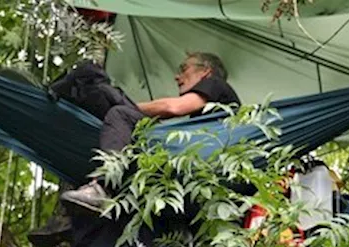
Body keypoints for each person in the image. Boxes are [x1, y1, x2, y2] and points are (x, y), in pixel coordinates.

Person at [56, 52, 241, 216]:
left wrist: (122, 105)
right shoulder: (207, 116)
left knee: (120, 115)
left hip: (208, 160)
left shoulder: (215, 85)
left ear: (206, 72)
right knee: (121, 145)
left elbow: (173, 107)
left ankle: (103, 186)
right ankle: (75, 220)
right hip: (201, 170)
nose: (177, 77)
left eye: (184, 68)